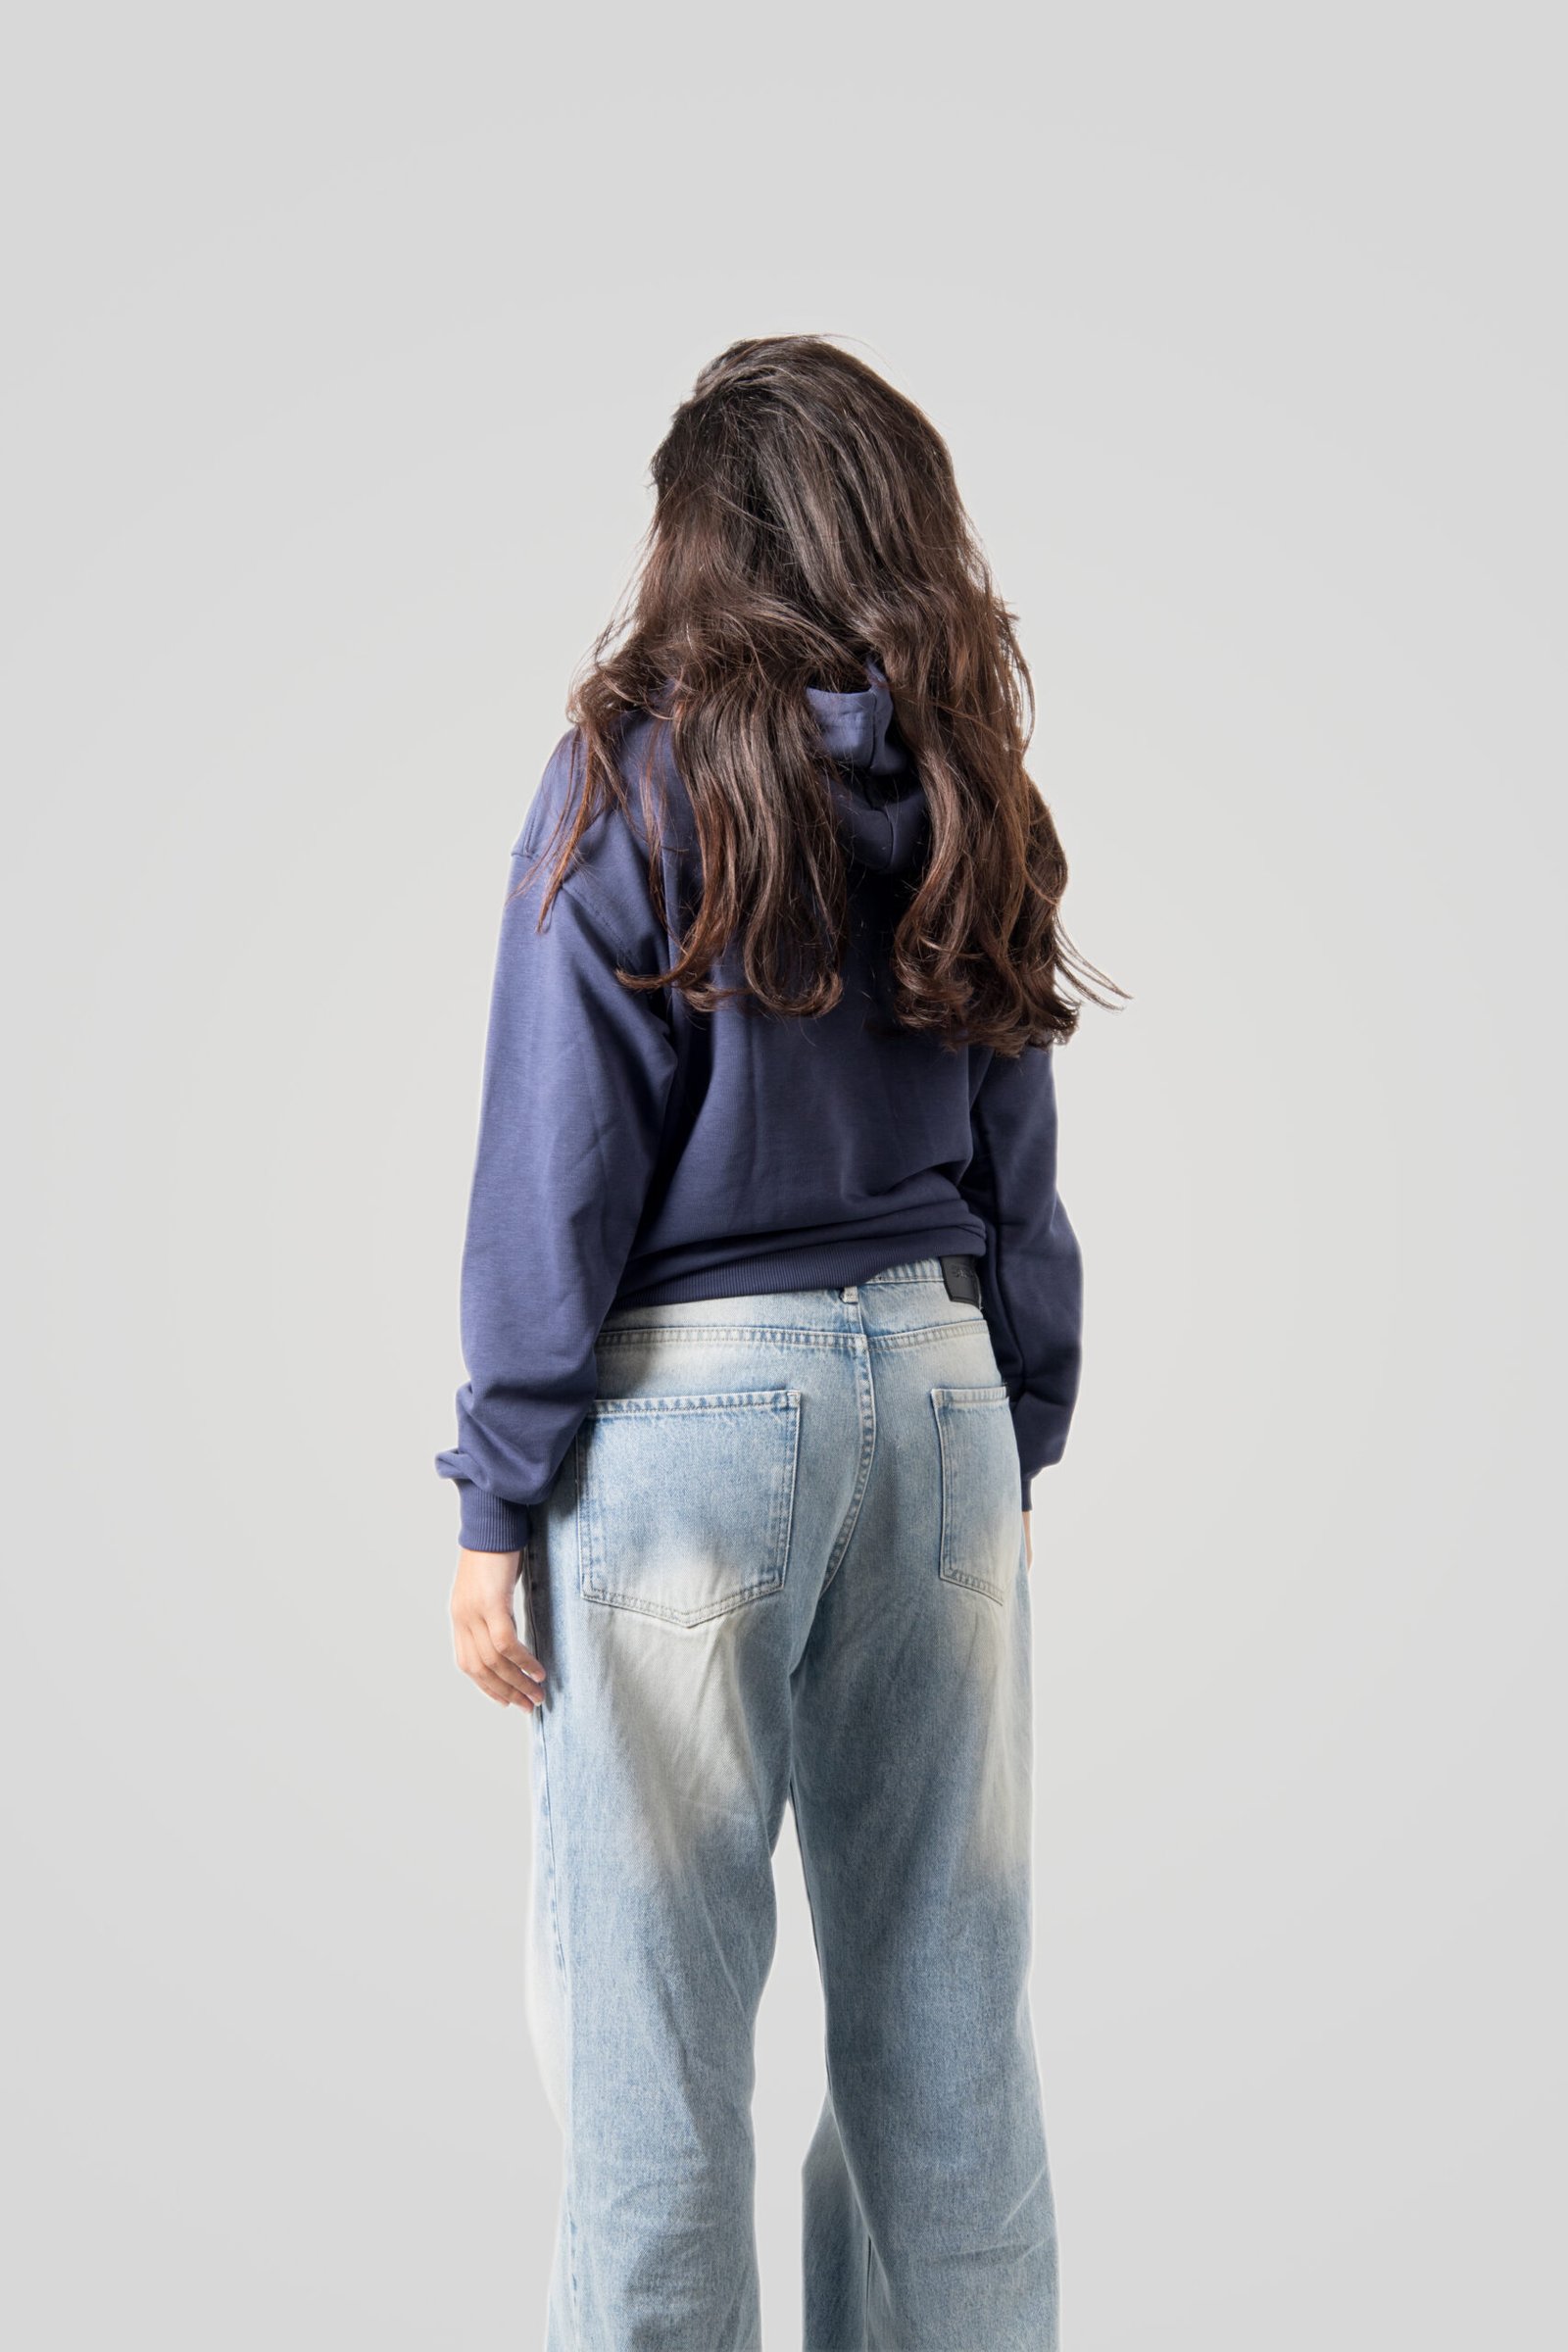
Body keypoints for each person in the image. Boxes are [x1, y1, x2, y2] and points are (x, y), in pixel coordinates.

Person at [435, 334, 1120, 2352]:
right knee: (950, 2014)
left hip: (683, 1427)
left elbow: (559, 1161)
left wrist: (496, 1489)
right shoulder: (971, 783)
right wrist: (1015, 1427)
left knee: (652, 2039)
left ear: (698, 540)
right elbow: (1015, 1152)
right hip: (940, 1397)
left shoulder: (630, 776)